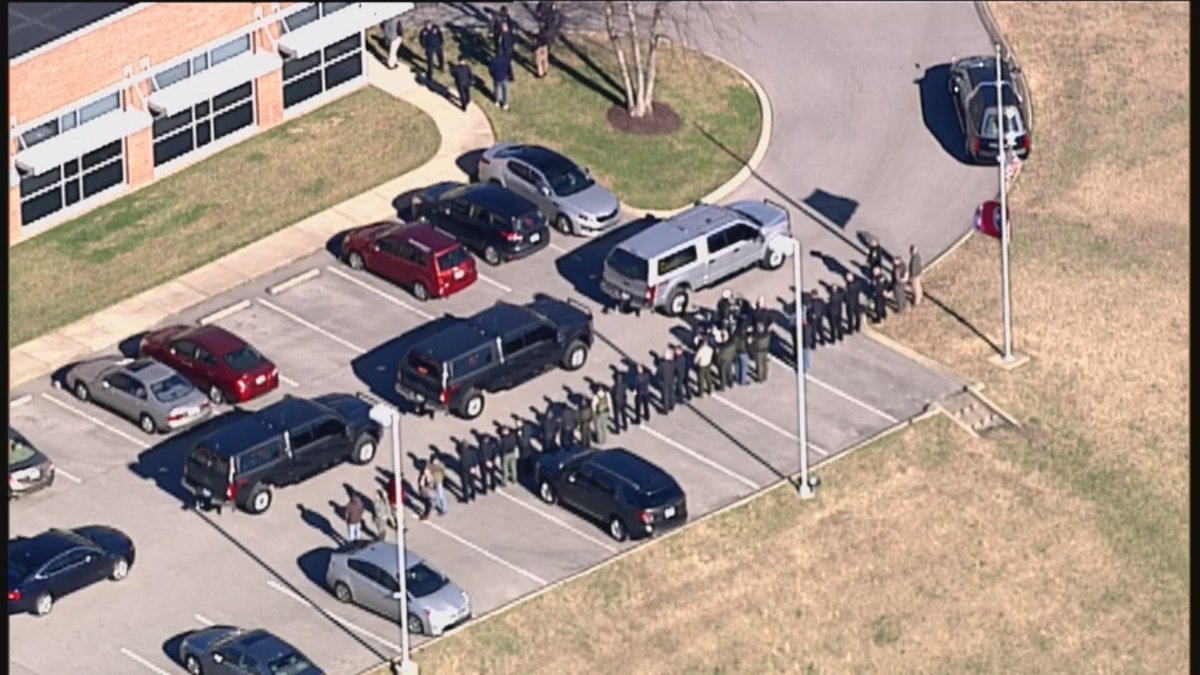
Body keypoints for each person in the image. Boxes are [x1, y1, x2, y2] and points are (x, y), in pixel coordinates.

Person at [533, 1, 563, 78]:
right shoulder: (557, 15)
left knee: (538, 58)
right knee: (545, 56)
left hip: (542, 38)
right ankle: (545, 70)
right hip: (549, 39)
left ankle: (540, 73)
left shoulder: (546, 16)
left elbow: (541, 21)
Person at [456, 437, 478, 503]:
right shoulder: (472, 452)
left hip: (465, 471)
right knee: (472, 483)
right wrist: (473, 467)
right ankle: (473, 495)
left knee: (465, 485)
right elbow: (475, 459)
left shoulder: (462, 454)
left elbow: (463, 464)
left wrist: (468, 469)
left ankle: (466, 498)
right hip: (472, 469)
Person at [657, 349, 677, 414]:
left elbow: (659, 374)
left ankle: (665, 409)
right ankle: (672, 405)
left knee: (665, 395)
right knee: (671, 393)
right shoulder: (673, 364)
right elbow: (675, 372)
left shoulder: (662, 365)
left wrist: (659, 381)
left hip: (664, 381)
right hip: (671, 380)